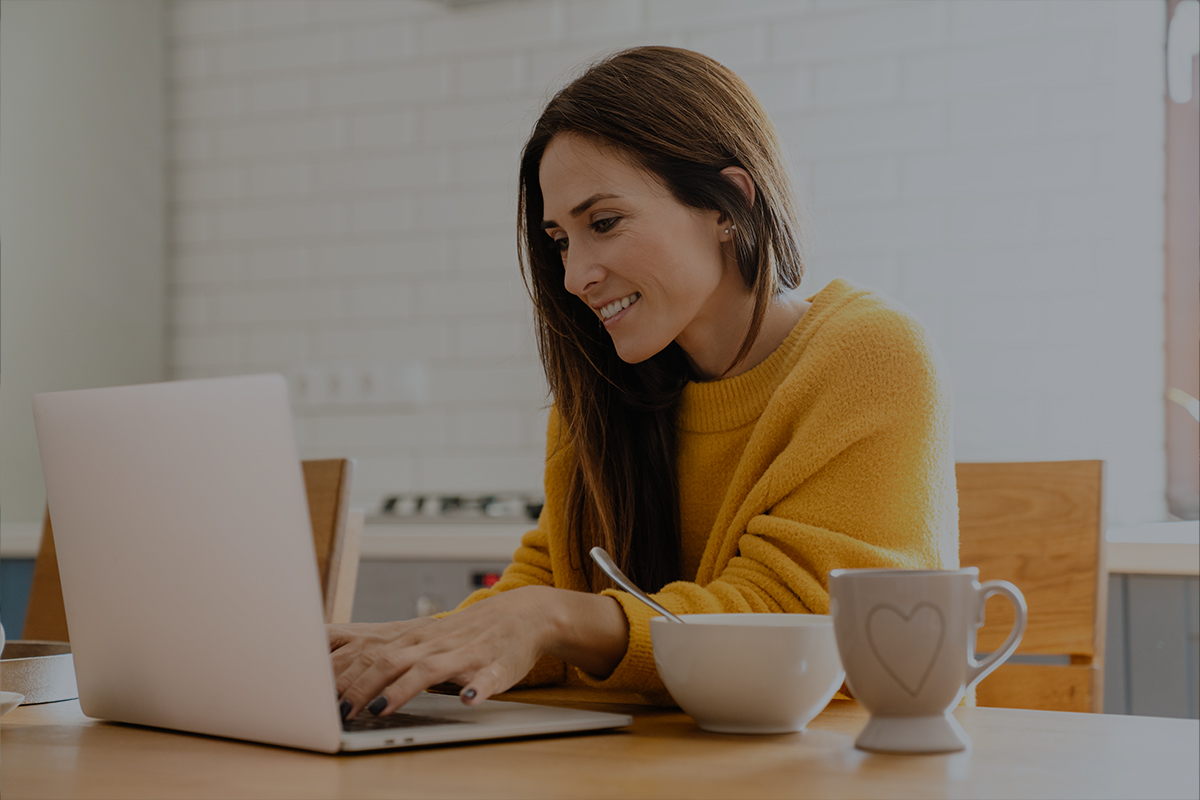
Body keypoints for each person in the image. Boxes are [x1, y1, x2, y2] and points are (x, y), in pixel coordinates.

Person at [330, 46, 956, 721]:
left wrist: (551, 618)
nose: (574, 277)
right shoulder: (603, 391)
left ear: (728, 206)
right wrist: (418, 646)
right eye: (560, 240)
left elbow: (803, 619)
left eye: (603, 224)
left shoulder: (871, 352)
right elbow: (551, 582)